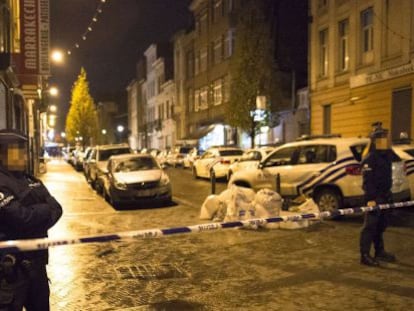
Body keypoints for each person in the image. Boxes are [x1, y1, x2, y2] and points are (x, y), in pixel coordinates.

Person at [0, 129, 63, 310]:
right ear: (3, 153)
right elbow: (21, 218)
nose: (24, 156)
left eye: (24, 150)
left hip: (37, 266)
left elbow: (57, 208)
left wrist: (34, 213)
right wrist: (42, 210)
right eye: (18, 151)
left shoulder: (30, 180)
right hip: (10, 272)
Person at [359, 122, 396, 267]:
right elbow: (367, 181)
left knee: (381, 226)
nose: (386, 141)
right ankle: (365, 255)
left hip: (385, 195)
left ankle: (379, 251)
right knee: (370, 226)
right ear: (376, 141)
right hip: (374, 198)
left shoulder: (386, 155)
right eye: (383, 139)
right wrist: (370, 199)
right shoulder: (371, 158)